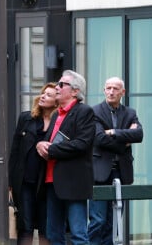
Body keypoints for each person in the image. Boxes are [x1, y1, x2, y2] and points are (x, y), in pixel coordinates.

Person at [36, 70, 95, 245]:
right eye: (57, 84)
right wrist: (40, 145)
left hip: (73, 182)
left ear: (75, 91)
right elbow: (48, 142)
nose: (57, 87)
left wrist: (52, 150)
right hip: (51, 181)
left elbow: (82, 144)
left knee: (78, 235)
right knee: (53, 236)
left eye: (62, 85)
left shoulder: (84, 111)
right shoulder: (56, 114)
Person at [88, 77, 143, 245]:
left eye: (115, 88)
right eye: (108, 88)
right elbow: (98, 139)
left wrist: (112, 131)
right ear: (104, 90)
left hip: (121, 171)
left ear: (123, 92)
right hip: (100, 172)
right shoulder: (94, 112)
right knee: (98, 220)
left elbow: (138, 135)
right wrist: (124, 140)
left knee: (114, 221)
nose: (111, 91)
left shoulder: (130, 113)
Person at [8, 82, 58, 245]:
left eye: (49, 95)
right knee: (25, 226)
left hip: (47, 183)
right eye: (43, 93)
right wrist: (10, 181)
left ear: (56, 102)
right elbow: (15, 151)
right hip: (26, 181)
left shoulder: (60, 122)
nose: (43, 96)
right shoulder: (26, 117)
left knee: (46, 227)